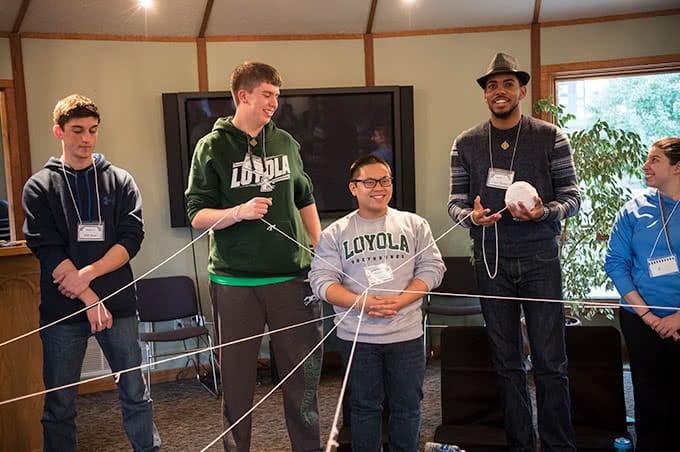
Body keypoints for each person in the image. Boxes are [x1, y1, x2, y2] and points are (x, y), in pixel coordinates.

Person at [185, 61, 323, 452]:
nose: (274, 104)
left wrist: (321, 246)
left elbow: (304, 198)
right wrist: (237, 212)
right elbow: (196, 214)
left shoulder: (286, 143)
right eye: (267, 95)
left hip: (291, 282)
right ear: (242, 96)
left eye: (277, 96)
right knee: (238, 385)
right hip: (234, 285)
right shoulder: (211, 147)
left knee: (303, 382)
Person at [447, 52, 580, 451]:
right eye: (492, 85)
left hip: (541, 259)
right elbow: (454, 204)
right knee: (506, 363)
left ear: (521, 90)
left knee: (551, 362)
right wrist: (473, 219)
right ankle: (520, 444)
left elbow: (572, 197)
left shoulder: (551, 136)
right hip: (492, 262)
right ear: (485, 95)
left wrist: (544, 212)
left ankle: (559, 444)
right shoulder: (465, 143)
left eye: (507, 84)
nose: (499, 91)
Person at [22, 94, 160, 452]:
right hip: (62, 310)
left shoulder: (120, 181)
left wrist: (88, 275)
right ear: (59, 132)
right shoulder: (39, 186)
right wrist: (87, 295)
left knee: (135, 392)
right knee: (60, 404)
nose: (86, 138)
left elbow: (132, 239)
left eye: (93, 130)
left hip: (119, 306)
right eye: (77, 130)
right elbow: (46, 248)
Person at [310, 155, 445, 451]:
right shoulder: (336, 233)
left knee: (408, 406)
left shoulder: (414, 224)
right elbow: (321, 282)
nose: (379, 188)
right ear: (353, 188)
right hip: (357, 338)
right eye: (369, 182)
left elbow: (433, 269)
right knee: (364, 408)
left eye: (385, 180)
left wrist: (400, 302)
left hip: (406, 335)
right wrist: (361, 303)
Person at [604, 138, 680, 452]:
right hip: (639, 320)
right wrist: (648, 316)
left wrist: (678, 318)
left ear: (677, 167)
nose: (645, 166)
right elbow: (615, 263)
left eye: (655, 160)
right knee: (648, 396)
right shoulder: (633, 210)